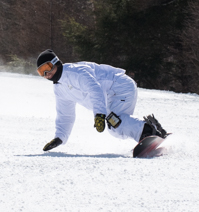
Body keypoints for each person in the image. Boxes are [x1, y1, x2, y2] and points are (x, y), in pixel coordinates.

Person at [35, 49, 168, 157]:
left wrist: (99, 114)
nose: (47, 74)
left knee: (115, 124)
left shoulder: (75, 72)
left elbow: (95, 89)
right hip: (111, 95)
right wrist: (60, 137)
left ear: (56, 62)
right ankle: (151, 129)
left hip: (119, 87)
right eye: (41, 72)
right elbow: (65, 115)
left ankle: (148, 132)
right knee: (116, 128)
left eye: (47, 68)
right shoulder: (59, 88)